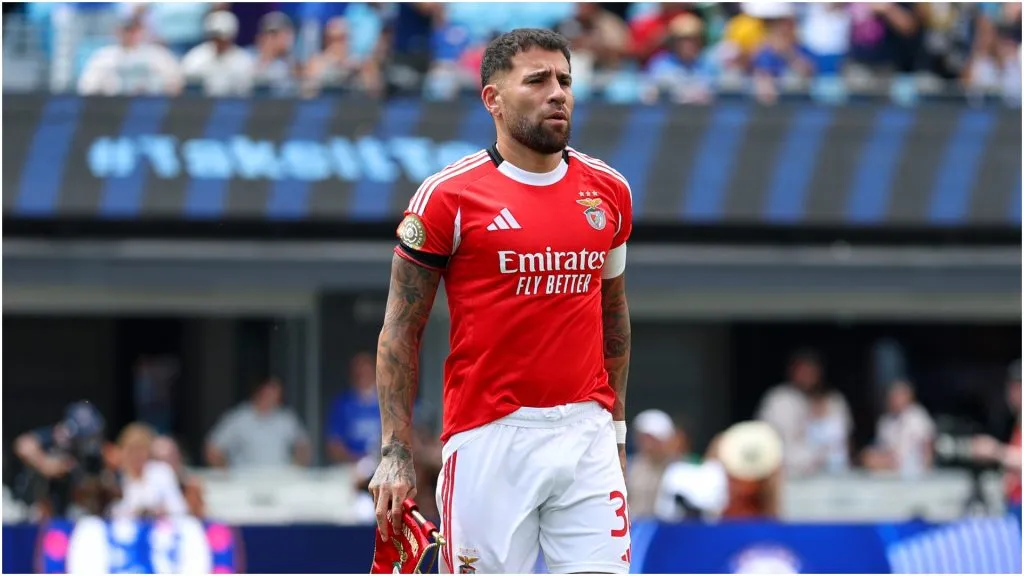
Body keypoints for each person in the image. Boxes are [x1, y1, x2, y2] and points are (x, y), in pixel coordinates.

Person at [369, 28, 634, 574]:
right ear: (492, 99)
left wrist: (616, 429)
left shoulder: (609, 190)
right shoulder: (447, 197)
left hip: (587, 434)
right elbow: (399, 329)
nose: (557, 92)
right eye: (536, 80)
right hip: (490, 437)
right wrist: (395, 451)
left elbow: (614, 314)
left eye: (564, 80)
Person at [108, 423, 188, 520]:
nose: (136, 455)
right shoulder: (115, 478)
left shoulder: (162, 472)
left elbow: (180, 509)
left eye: (140, 449)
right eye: (131, 450)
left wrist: (161, 511)